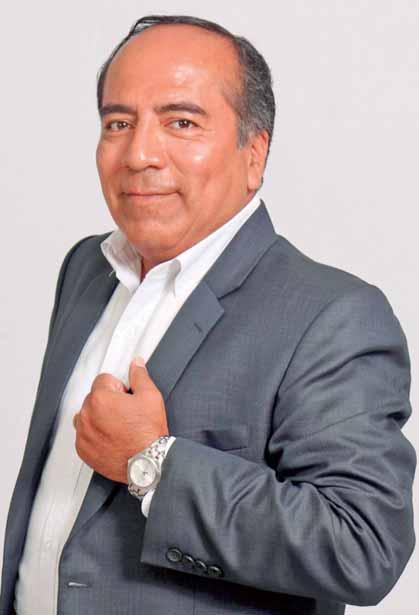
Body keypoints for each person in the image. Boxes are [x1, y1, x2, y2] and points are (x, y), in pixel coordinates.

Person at [0, 14, 416, 615]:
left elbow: (362, 547)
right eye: (119, 123)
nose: (139, 153)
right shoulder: (85, 270)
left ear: (254, 154)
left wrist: (153, 463)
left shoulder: (333, 317)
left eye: (181, 122)